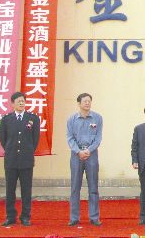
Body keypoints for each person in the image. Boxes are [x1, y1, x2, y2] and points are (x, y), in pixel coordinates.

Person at [0, 92, 40, 227]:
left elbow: (35, 140)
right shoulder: (6, 119)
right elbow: (3, 140)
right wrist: (11, 150)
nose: (21, 103)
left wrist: (27, 151)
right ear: (12, 104)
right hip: (11, 160)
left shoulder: (33, 118)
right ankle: (10, 216)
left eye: (23, 101)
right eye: (18, 101)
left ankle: (25, 217)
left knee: (26, 190)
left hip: (26, 160)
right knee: (10, 189)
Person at [66, 93, 103, 226]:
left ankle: (94, 217)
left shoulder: (97, 118)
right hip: (76, 155)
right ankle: (74, 217)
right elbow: (70, 138)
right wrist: (78, 151)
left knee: (93, 187)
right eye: (85, 101)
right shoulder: (71, 119)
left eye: (89, 101)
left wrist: (89, 150)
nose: (87, 103)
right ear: (79, 103)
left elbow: (98, 138)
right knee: (75, 187)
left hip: (91, 154)